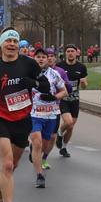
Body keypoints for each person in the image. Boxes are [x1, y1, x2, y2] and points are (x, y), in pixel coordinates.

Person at [0, 28, 51, 202]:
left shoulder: (28, 63)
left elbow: (45, 86)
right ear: (1, 44)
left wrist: (34, 82)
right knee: (8, 165)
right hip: (0, 118)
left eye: (14, 41)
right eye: (8, 40)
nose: (11, 44)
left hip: (22, 120)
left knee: (14, 165)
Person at [29, 47, 67, 188]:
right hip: (34, 114)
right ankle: (40, 175)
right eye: (37, 56)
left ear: (47, 59)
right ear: (34, 59)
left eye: (43, 57)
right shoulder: (29, 74)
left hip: (51, 114)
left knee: (46, 144)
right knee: (38, 143)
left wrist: (54, 97)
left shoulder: (54, 74)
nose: (40, 59)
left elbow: (65, 92)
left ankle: (37, 153)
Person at [56, 44, 88, 157]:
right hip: (63, 99)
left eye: (72, 51)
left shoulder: (81, 67)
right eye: (68, 51)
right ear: (65, 53)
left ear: (76, 53)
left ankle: (63, 148)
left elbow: (84, 85)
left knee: (70, 127)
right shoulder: (59, 66)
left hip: (75, 100)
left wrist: (84, 83)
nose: (70, 53)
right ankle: (59, 134)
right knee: (68, 122)